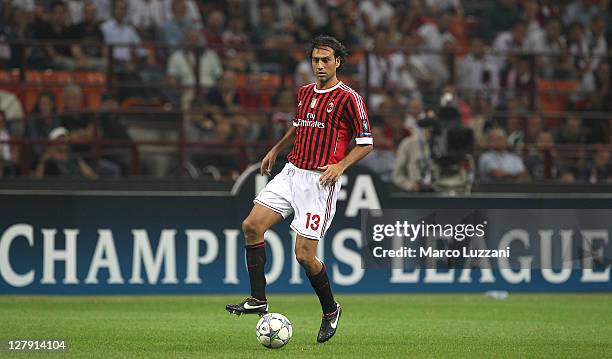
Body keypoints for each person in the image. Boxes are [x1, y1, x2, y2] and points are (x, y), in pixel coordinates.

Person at [225, 36, 373, 343]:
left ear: (337, 62)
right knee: (251, 226)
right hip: (291, 171)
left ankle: (330, 310)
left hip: (320, 180)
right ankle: (258, 298)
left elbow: (366, 143)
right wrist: (275, 150)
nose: (319, 65)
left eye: (325, 60)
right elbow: (300, 124)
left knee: (304, 255)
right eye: (315, 60)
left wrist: (340, 166)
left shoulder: (349, 98)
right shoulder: (305, 92)